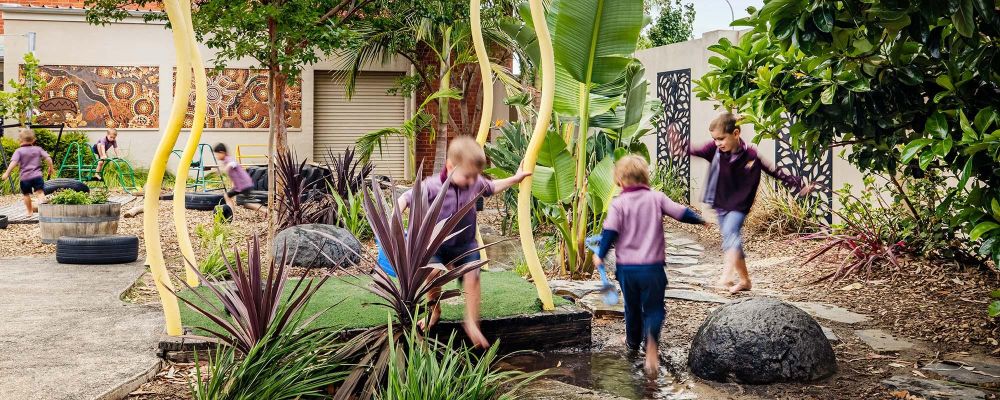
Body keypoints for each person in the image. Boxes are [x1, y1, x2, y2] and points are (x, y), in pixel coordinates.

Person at [396, 136, 531, 348]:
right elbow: (407, 197)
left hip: (466, 245)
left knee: (473, 276)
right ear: (450, 167)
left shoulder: (474, 182)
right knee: (431, 275)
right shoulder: (432, 186)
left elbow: (492, 186)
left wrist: (515, 178)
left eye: (475, 176)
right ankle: (434, 311)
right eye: (468, 176)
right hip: (436, 245)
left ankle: (471, 323)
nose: (472, 182)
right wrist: (396, 212)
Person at [592, 155, 707, 377]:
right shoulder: (657, 197)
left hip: (627, 269)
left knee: (632, 307)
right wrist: (701, 220)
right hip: (653, 268)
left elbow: (610, 232)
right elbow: (681, 213)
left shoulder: (618, 204)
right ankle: (652, 347)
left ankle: (633, 342)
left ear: (620, 181)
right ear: (645, 177)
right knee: (654, 309)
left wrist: (600, 254)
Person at [691, 112, 814, 294]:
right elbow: (695, 151)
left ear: (736, 134)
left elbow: (772, 170)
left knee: (731, 235)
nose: (717, 143)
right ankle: (743, 280)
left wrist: (797, 184)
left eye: (721, 139)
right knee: (731, 239)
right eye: (715, 139)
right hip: (721, 202)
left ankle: (730, 277)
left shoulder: (750, 154)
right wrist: (678, 143)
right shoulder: (715, 150)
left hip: (739, 205)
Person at [2, 128, 55, 216]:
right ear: (34, 140)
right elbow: (48, 158)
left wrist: (7, 173)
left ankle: (30, 212)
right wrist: (51, 168)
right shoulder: (38, 149)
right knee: (40, 192)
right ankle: (43, 204)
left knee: (26, 195)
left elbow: (13, 163)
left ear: (20, 140)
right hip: (37, 176)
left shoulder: (19, 151)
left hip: (25, 178)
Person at [213, 143, 258, 211]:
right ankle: (231, 213)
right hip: (239, 186)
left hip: (245, 184)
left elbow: (233, 164)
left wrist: (227, 167)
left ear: (222, 152)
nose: (217, 156)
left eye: (217, 154)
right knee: (227, 196)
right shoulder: (225, 161)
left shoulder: (229, 159)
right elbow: (233, 175)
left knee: (247, 204)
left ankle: (266, 210)